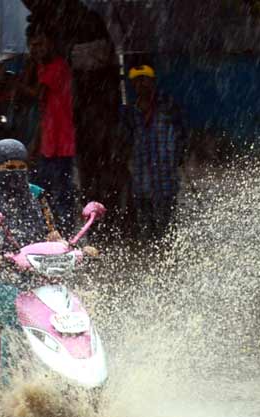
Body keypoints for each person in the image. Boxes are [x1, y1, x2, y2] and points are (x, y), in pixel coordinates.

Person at [0, 139, 96, 382]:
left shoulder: (36, 195)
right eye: (9, 168)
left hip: (34, 279)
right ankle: (14, 387)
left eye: (21, 167)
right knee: (17, 316)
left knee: (72, 309)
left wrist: (75, 248)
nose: (16, 174)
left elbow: (52, 235)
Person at [20, 0, 129, 238]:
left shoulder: (78, 26)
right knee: (68, 184)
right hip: (71, 127)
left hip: (90, 117)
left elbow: (94, 64)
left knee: (83, 179)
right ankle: (84, 227)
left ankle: (98, 226)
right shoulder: (55, 29)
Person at [11, 29, 77, 235]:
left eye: (40, 45)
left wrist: (15, 84)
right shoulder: (44, 67)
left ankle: (62, 232)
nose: (36, 50)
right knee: (45, 190)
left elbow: (36, 94)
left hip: (61, 141)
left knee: (58, 192)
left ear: (50, 43)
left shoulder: (56, 67)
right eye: (33, 46)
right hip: (49, 140)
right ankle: (47, 230)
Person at [122, 64, 186, 242]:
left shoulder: (167, 107)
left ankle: (168, 256)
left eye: (145, 80)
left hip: (164, 179)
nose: (141, 84)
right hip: (142, 180)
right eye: (137, 81)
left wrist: (179, 157)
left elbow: (181, 135)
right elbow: (127, 142)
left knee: (167, 225)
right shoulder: (131, 113)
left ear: (152, 82)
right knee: (147, 228)